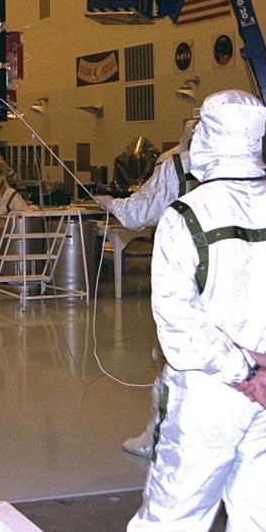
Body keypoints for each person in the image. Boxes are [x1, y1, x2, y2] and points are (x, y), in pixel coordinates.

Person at [126, 90, 266, 532]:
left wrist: (248, 372)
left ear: (205, 137)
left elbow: (180, 327)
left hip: (208, 396)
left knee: (173, 523)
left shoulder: (185, 216)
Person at [93, 119, 198, 457]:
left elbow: (141, 212)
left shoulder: (177, 166)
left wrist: (113, 204)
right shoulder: (262, 173)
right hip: (244, 283)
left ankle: (160, 436)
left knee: (174, 357)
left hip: (190, 277)